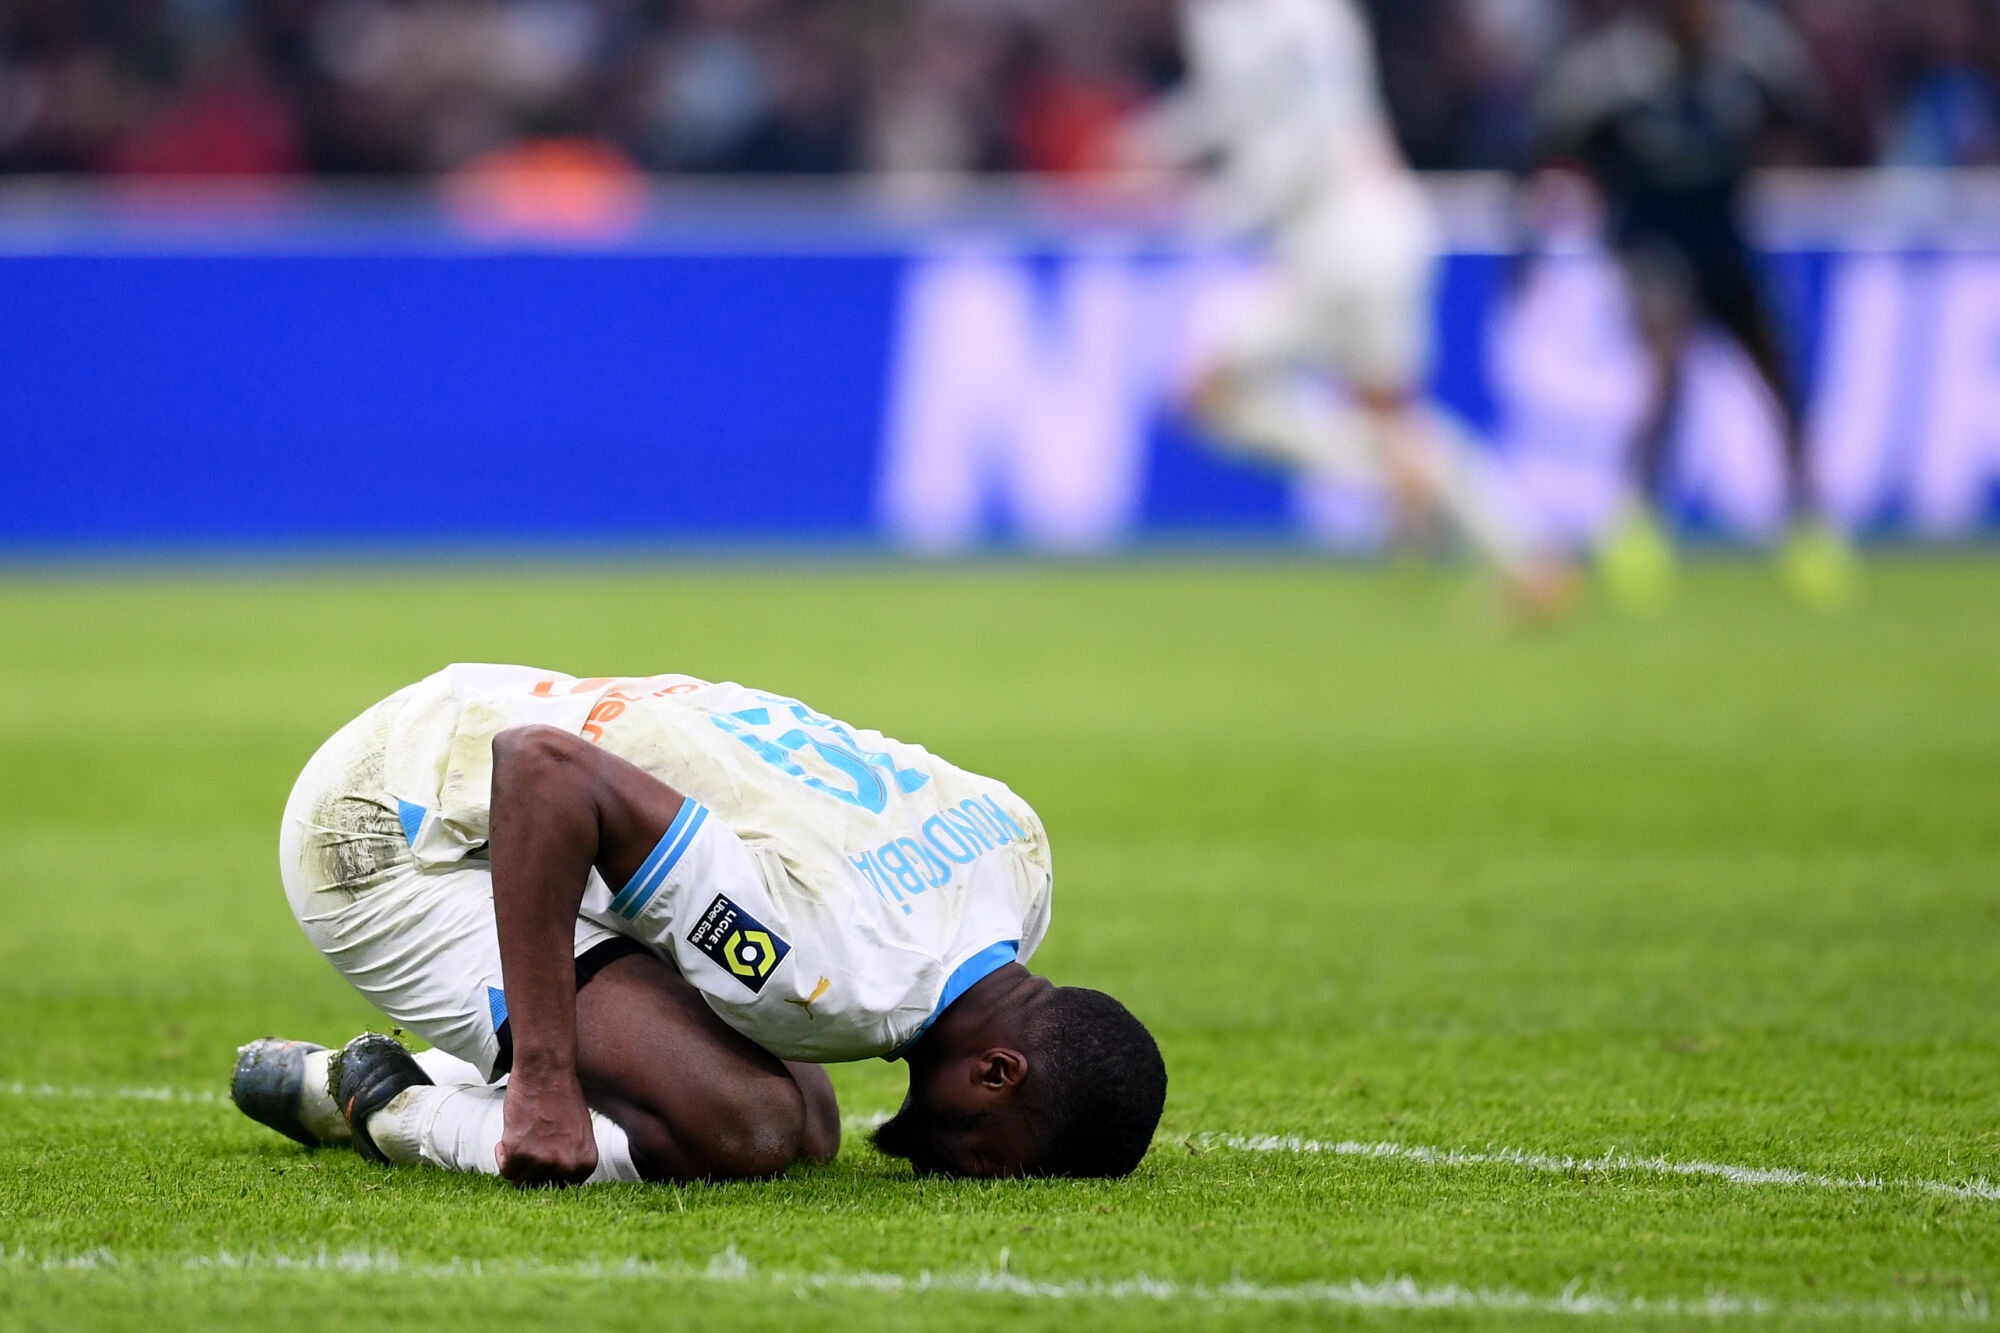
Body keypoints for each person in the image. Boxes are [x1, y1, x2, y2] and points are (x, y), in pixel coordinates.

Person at [232, 664, 1166, 1183]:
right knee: (741, 1123)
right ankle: (402, 1107)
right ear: (999, 1073)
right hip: (385, 828)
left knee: (807, 1118)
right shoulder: (831, 968)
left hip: (470, 713)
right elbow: (542, 770)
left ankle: (368, 1077)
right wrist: (549, 1083)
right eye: (989, 1164)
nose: (957, 1175)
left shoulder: (1019, 852)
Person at [1126, 0, 1577, 618]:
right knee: (1394, 421)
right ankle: (1530, 560)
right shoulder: (1252, 19)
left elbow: (1308, 138)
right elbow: (1233, 108)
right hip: (1377, 227)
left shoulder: (1295, 20)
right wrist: (1152, 141)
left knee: (1203, 391)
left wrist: (1210, 212)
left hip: (1343, 241)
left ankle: (1403, 481)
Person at [1533, 0, 1856, 612]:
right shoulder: (1613, 71)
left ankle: (1808, 529)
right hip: (1653, 240)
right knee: (1665, 374)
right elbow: (1552, 143)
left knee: (1781, 382)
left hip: (1724, 240)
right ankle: (1635, 527)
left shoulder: (1755, 53)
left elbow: (1811, 118)